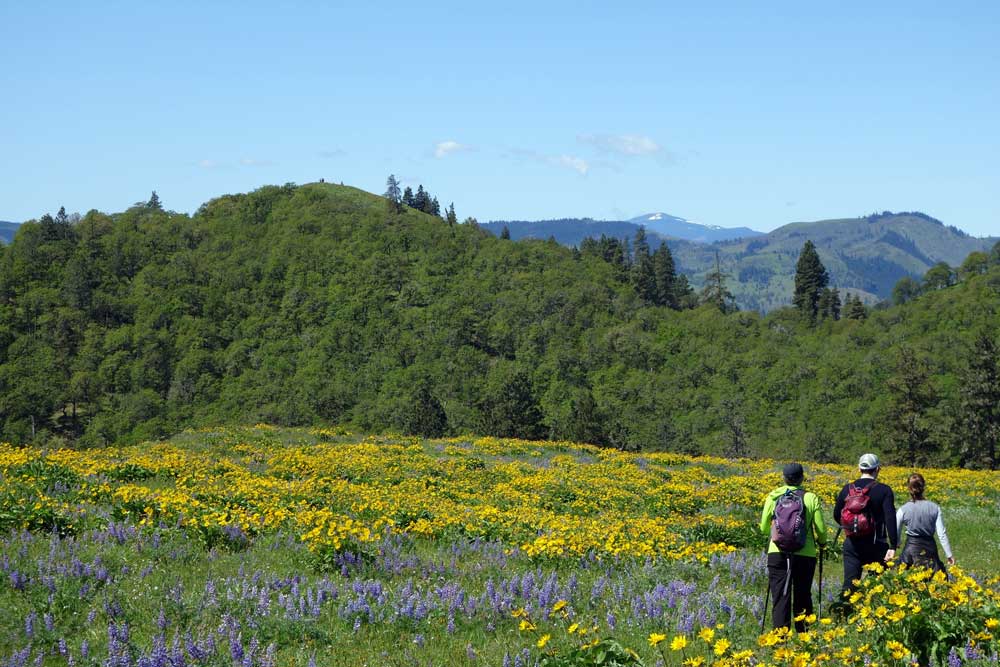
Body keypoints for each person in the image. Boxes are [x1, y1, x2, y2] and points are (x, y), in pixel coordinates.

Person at [759, 462, 828, 631]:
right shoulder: (810, 497)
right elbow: (820, 528)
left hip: (777, 552)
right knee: (803, 595)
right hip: (805, 553)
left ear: (784, 478)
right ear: (802, 478)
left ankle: (780, 639)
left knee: (780, 596)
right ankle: (804, 636)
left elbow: (763, 528)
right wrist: (822, 543)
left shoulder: (773, 496)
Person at [833, 453, 898, 597]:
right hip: (877, 543)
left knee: (850, 585)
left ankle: (844, 613)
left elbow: (837, 515)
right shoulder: (884, 490)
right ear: (878, 469)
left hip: (852, 543)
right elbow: (890, 518)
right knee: (879, 586)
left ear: (859, 468)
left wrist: (852, 528)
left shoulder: (847, 489)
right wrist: (893, 546)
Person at [896, 472, 954, 572]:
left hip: (911, 550)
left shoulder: (903, 509)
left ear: (909, 488)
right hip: (930, 549)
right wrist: (949, 554)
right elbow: (942, 534)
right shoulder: (935, 508)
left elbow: (896, 531)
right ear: (923, 487)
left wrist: (897, 543)